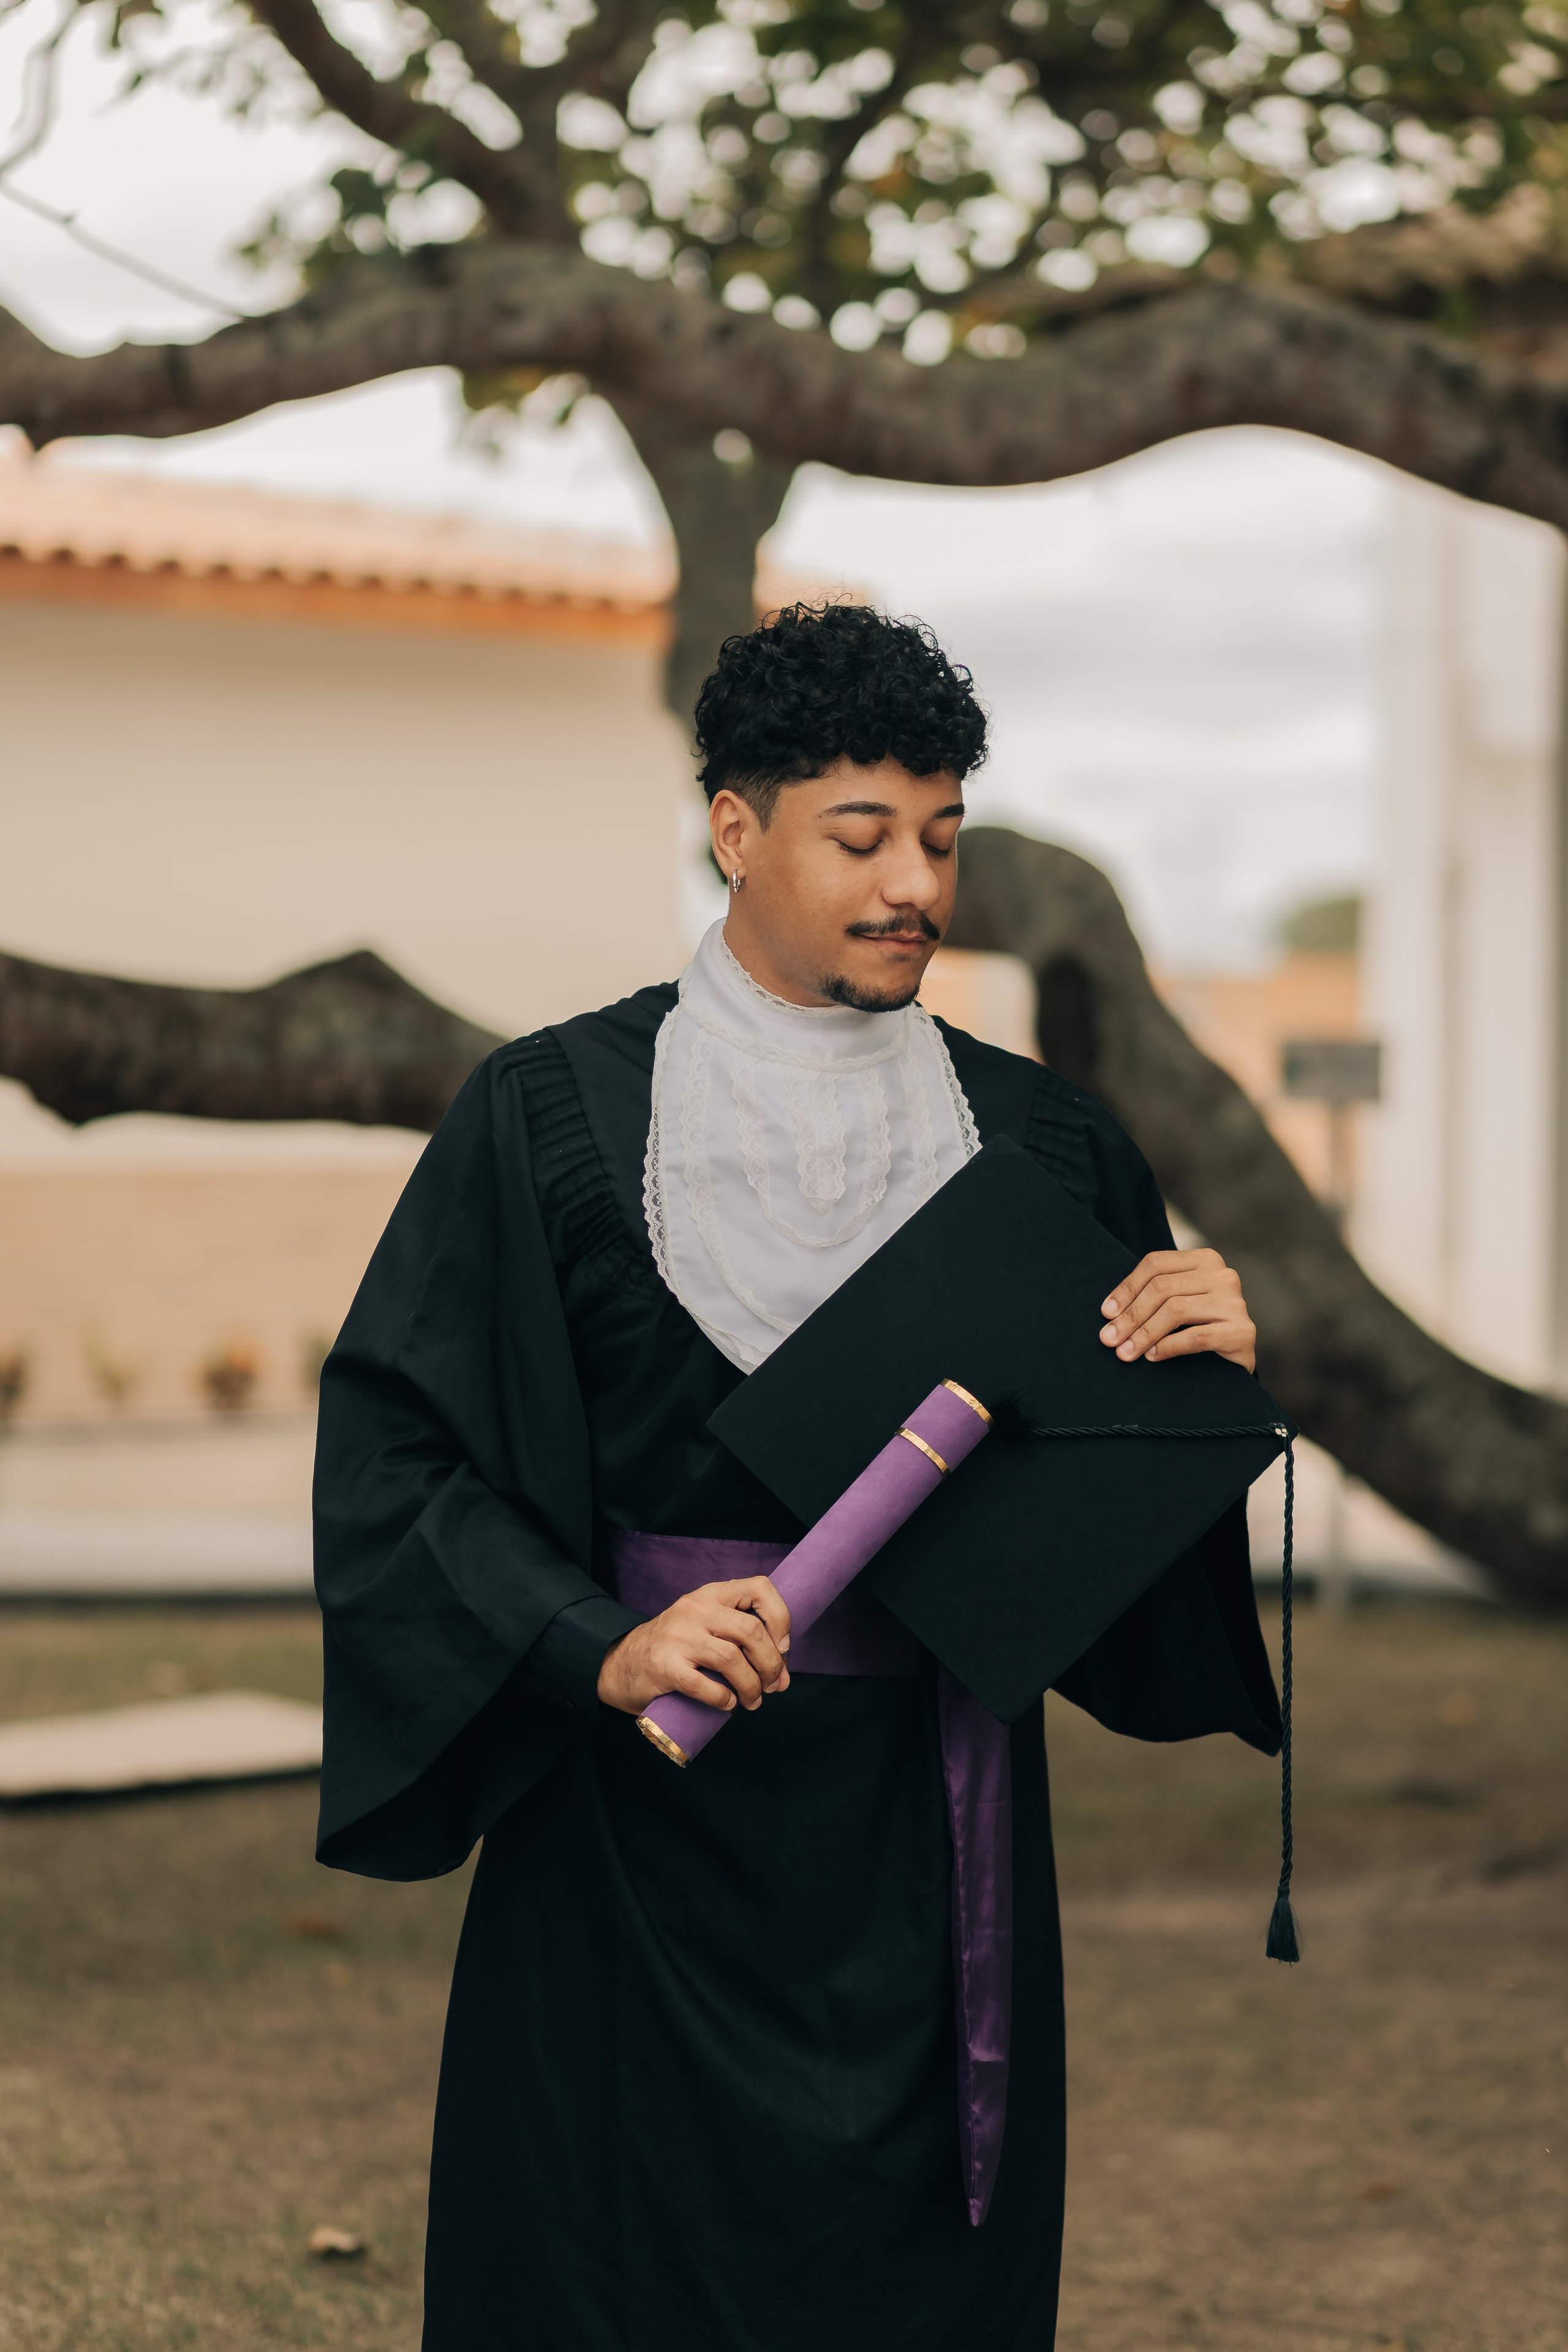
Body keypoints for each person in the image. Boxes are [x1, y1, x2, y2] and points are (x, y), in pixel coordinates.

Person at [313, 603, 1267, 2352]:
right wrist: (596, 1642)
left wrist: (1197, 1384)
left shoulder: (1048, 1150)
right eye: (862, 835)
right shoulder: (545, 1120)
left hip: (933, 1845)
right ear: (735, 829)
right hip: (628, 1835)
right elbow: (400, 1462)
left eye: (944, 839)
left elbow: (1117, 1580)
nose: (915, 885)